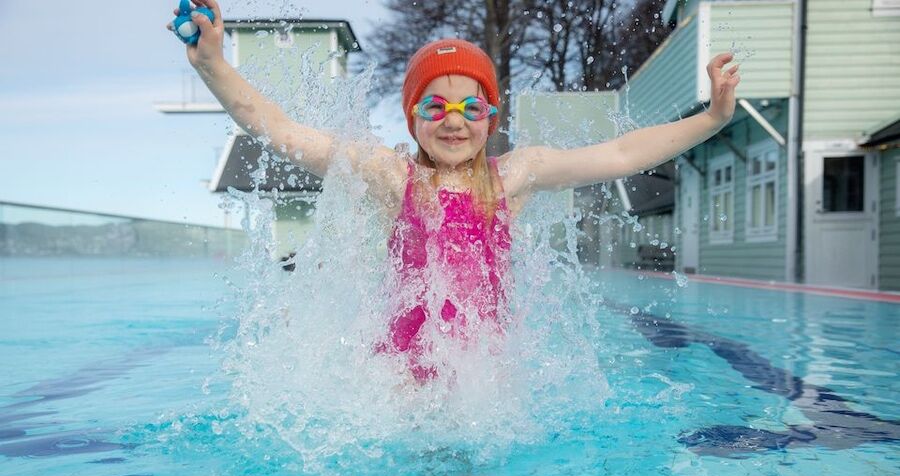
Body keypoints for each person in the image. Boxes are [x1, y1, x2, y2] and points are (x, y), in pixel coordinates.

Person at [171, 0, 740, 383]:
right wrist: (213, 65)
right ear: (413, 118)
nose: (454, 121)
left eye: (471, 107)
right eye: (435, 107)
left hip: (480, 378)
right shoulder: (390, 175)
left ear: (491, 118)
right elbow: (284, 131)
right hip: (400, 375)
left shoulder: (514, 177)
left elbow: (620, 154)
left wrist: (711, 119)